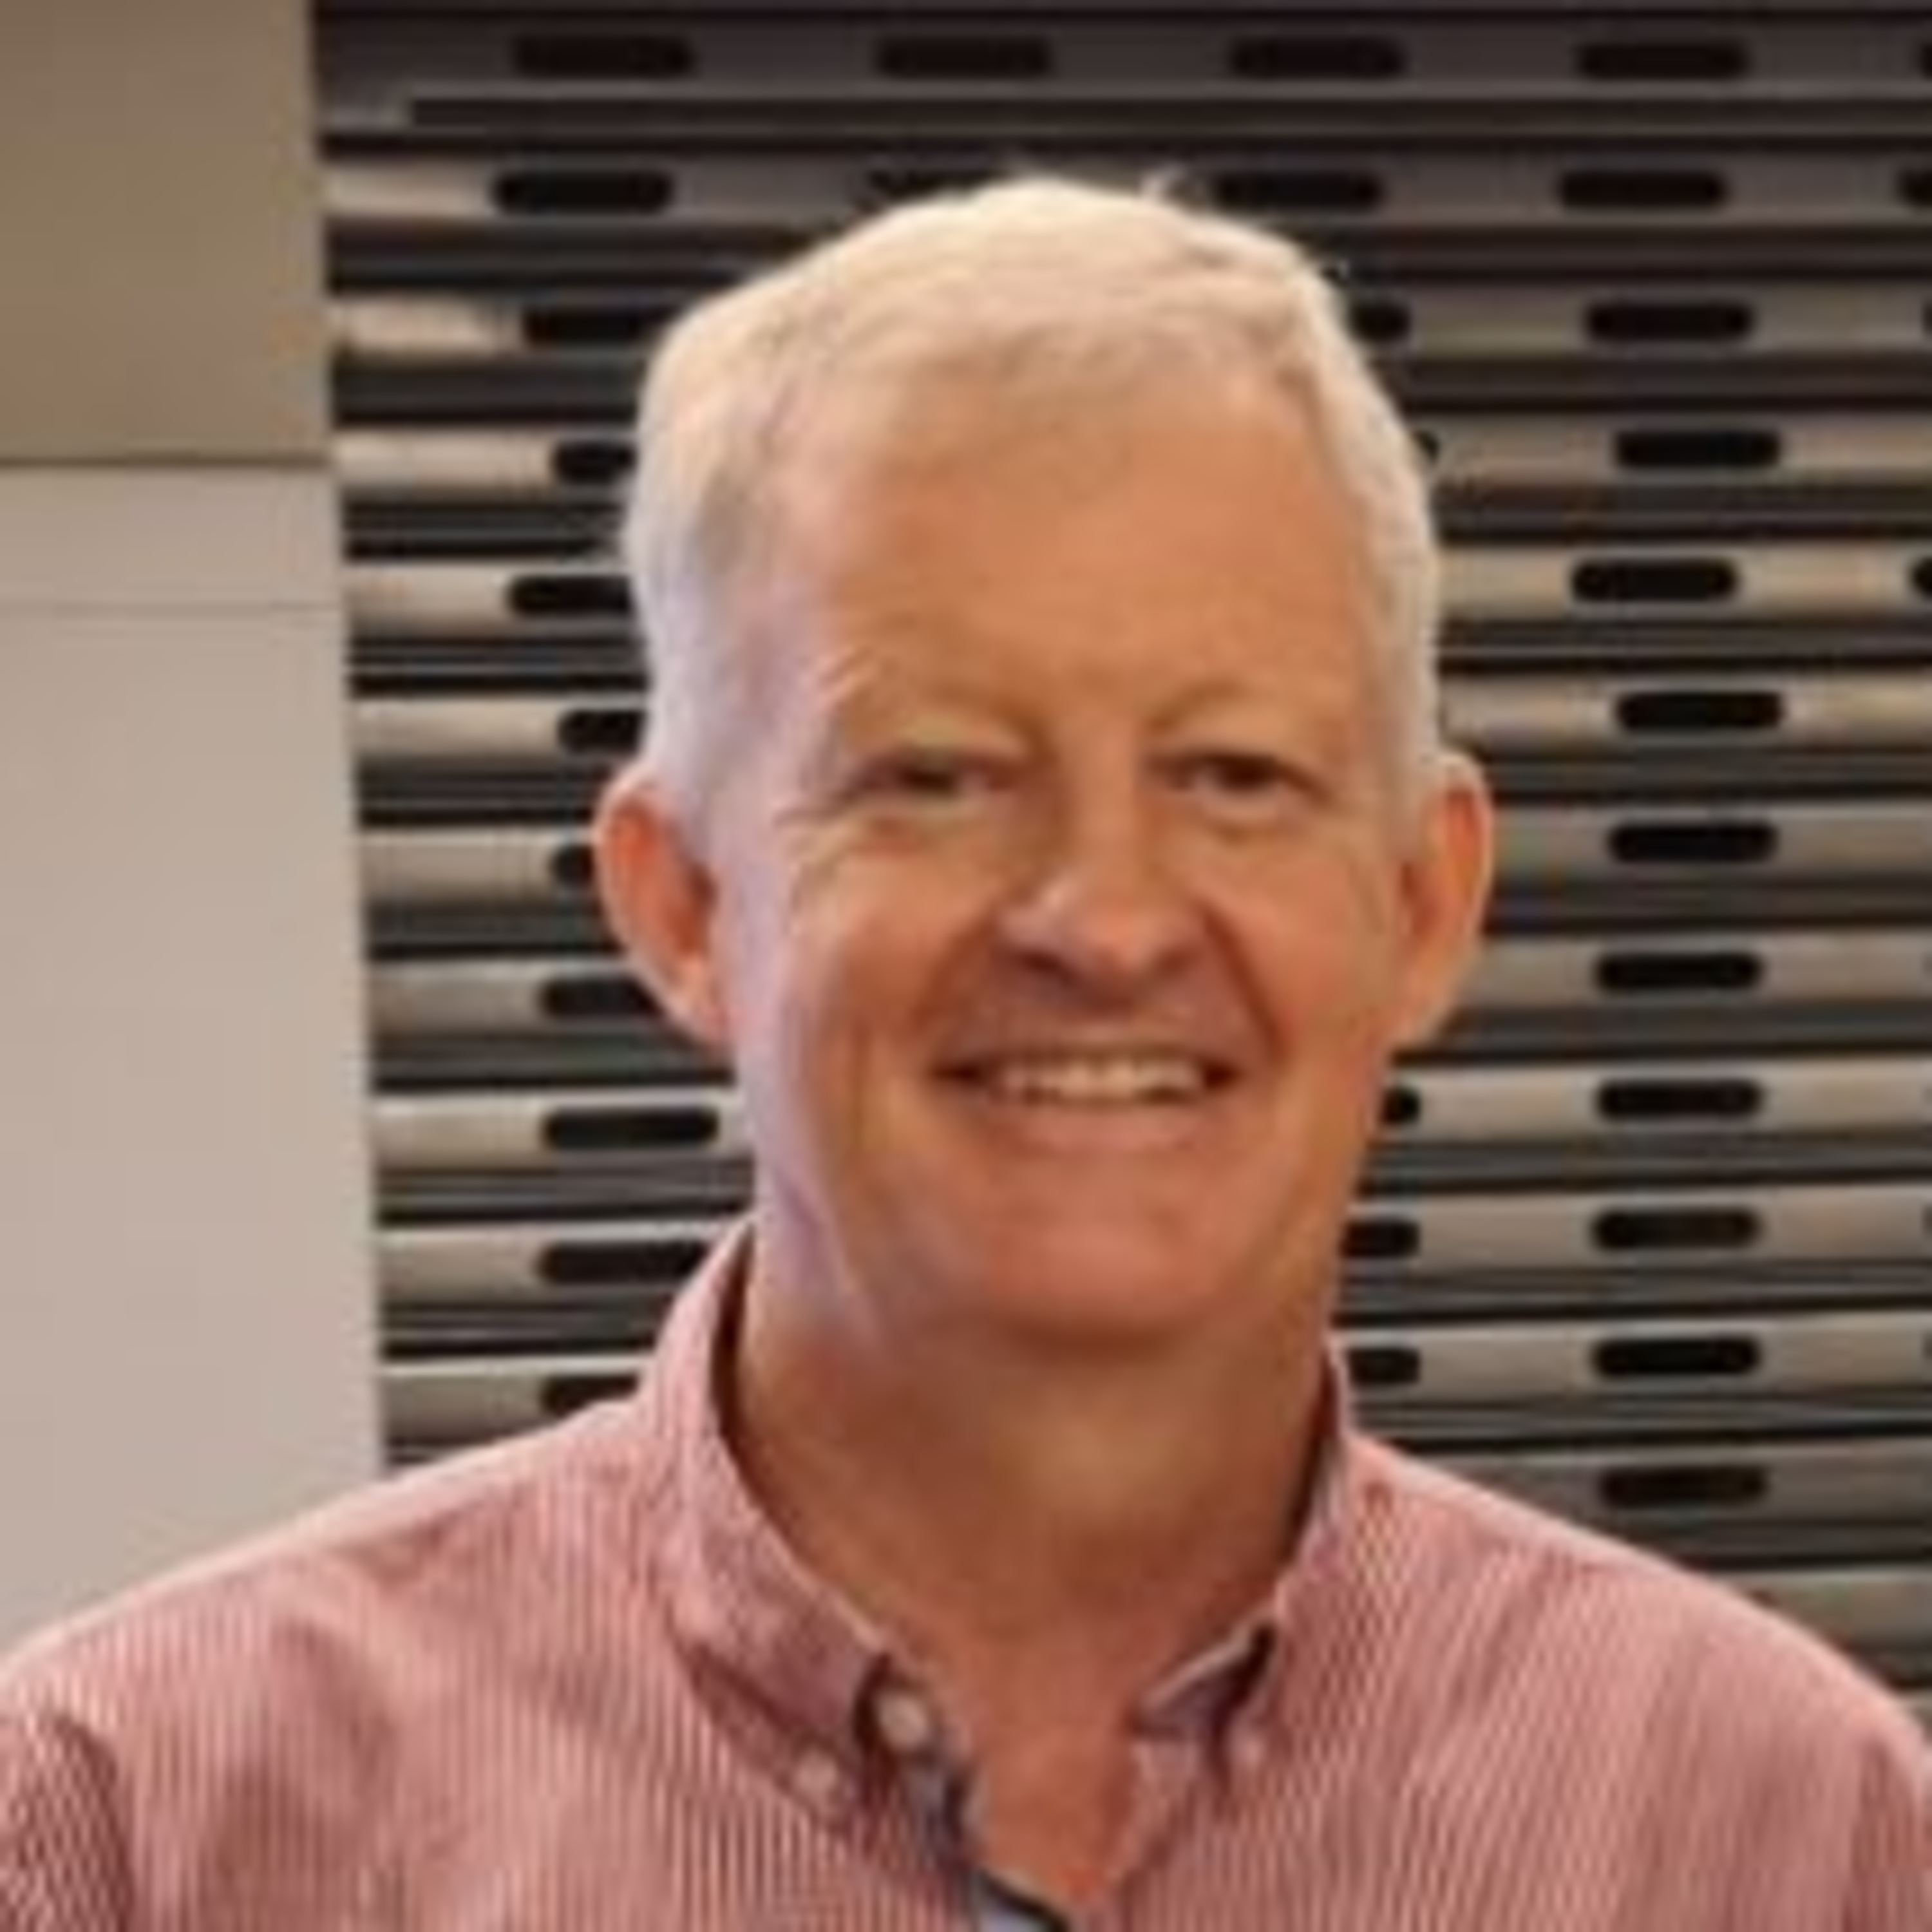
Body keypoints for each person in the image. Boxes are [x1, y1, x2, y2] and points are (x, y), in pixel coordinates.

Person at [3, 177, 1926, 1929]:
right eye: (932, 776)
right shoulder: (137, 1835)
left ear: (1424, 902)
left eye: (1235, 775)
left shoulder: (1790, 1836)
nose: (1103, 919)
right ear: (683, 906)